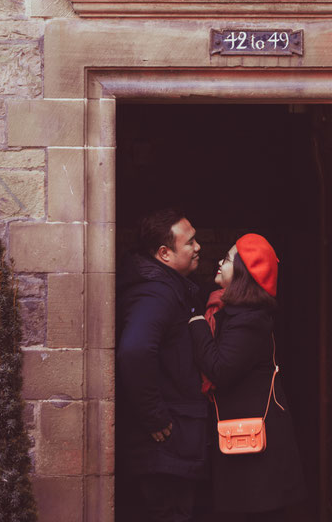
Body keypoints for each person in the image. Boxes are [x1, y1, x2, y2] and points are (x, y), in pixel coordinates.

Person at [188, 234, 306, 520]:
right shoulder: (236, 312)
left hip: (256, 458)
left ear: (241, 274)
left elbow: (220, 370)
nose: (219, 262)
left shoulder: (248, 320)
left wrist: (197, 325)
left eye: (226, 259)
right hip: (245, 447)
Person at [117, 208, 208, 522]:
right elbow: (134, 351)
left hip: (172, 442)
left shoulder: (165, 286)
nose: (198, 247)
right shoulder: (156, 293)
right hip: (166, 445)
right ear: (164, 253)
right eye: (190, 242)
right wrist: (154, 416)